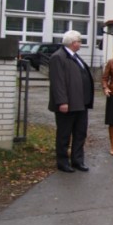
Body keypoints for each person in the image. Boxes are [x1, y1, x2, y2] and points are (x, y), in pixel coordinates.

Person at [47, 30, 94, 172]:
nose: (80, 44)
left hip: (81, 103)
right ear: (73, 43)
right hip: (67, 104)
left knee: (80, 133)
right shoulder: (58, 57)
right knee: (64, 134)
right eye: (79, 41)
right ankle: (62, 162)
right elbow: (58, 82)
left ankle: (77, 160)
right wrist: (62, 102)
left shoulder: (75, 56)